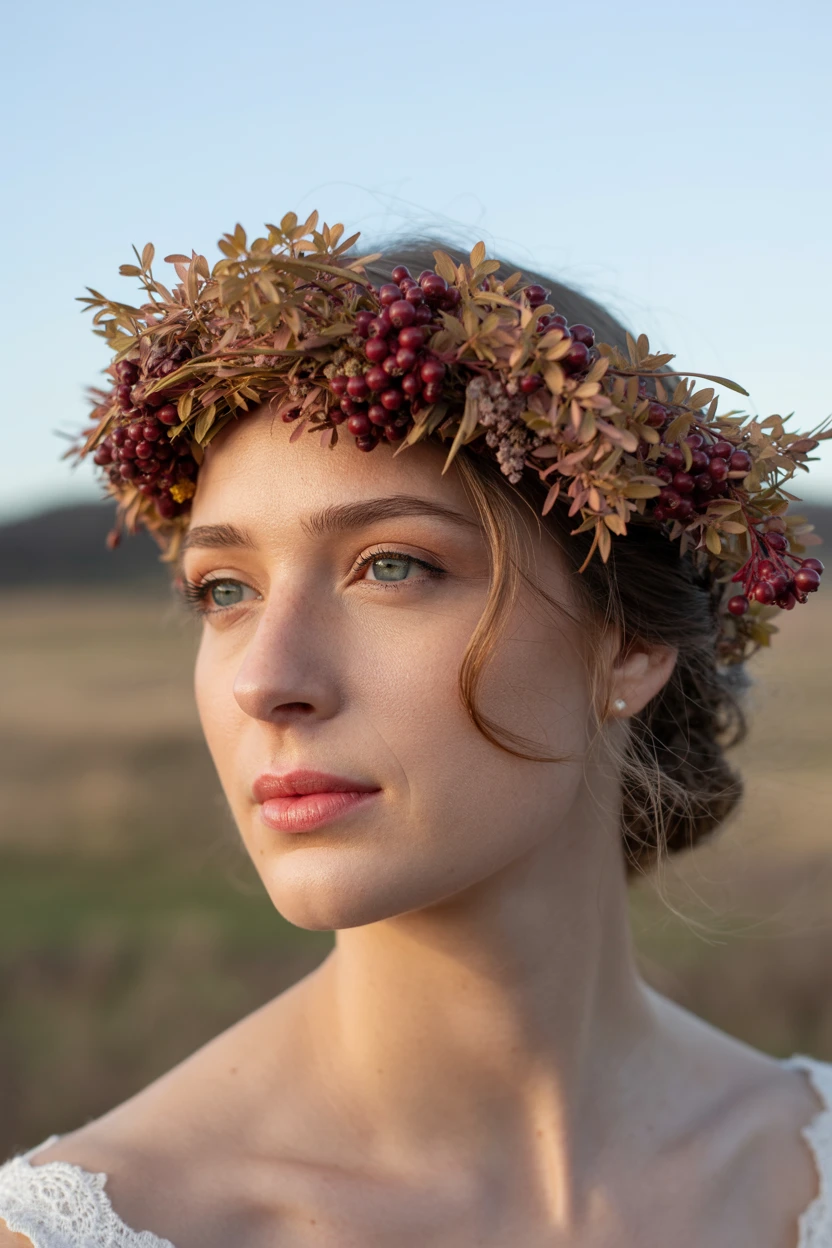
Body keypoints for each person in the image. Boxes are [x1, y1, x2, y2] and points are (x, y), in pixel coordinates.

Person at [1, 218, 831, 1247]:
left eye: (391, 566)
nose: (268, 679)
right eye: (225, 590)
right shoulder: (95, 1227)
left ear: (628, 643)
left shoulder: (806, 1171)